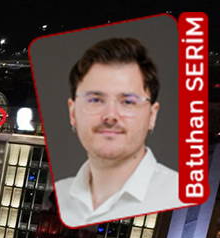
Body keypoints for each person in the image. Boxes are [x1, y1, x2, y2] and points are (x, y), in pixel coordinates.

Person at [54, 37, 179, 226]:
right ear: (73, 113)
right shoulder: (61, 191)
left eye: (128, 102)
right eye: (95, 100)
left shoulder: (176, 193)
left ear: (152, 115)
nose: (110, 116)